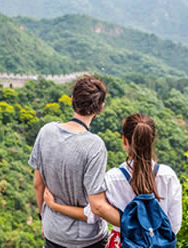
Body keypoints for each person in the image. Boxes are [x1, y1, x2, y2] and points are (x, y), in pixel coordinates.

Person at [44, 113, 182, 248]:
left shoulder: (112, 179)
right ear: (152, 140)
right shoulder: (168, 176)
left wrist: (55, 206)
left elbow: (91, 214)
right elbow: (174, 225)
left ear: (124, 140)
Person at [29, 75, 120, 248]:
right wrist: (135, 226)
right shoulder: (94, 145)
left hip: (53, 234)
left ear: (72, 100)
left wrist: (45, 217)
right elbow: (97, 207)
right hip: (88, 240)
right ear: (101, 107)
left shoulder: (46, 132)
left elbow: (37, 184)